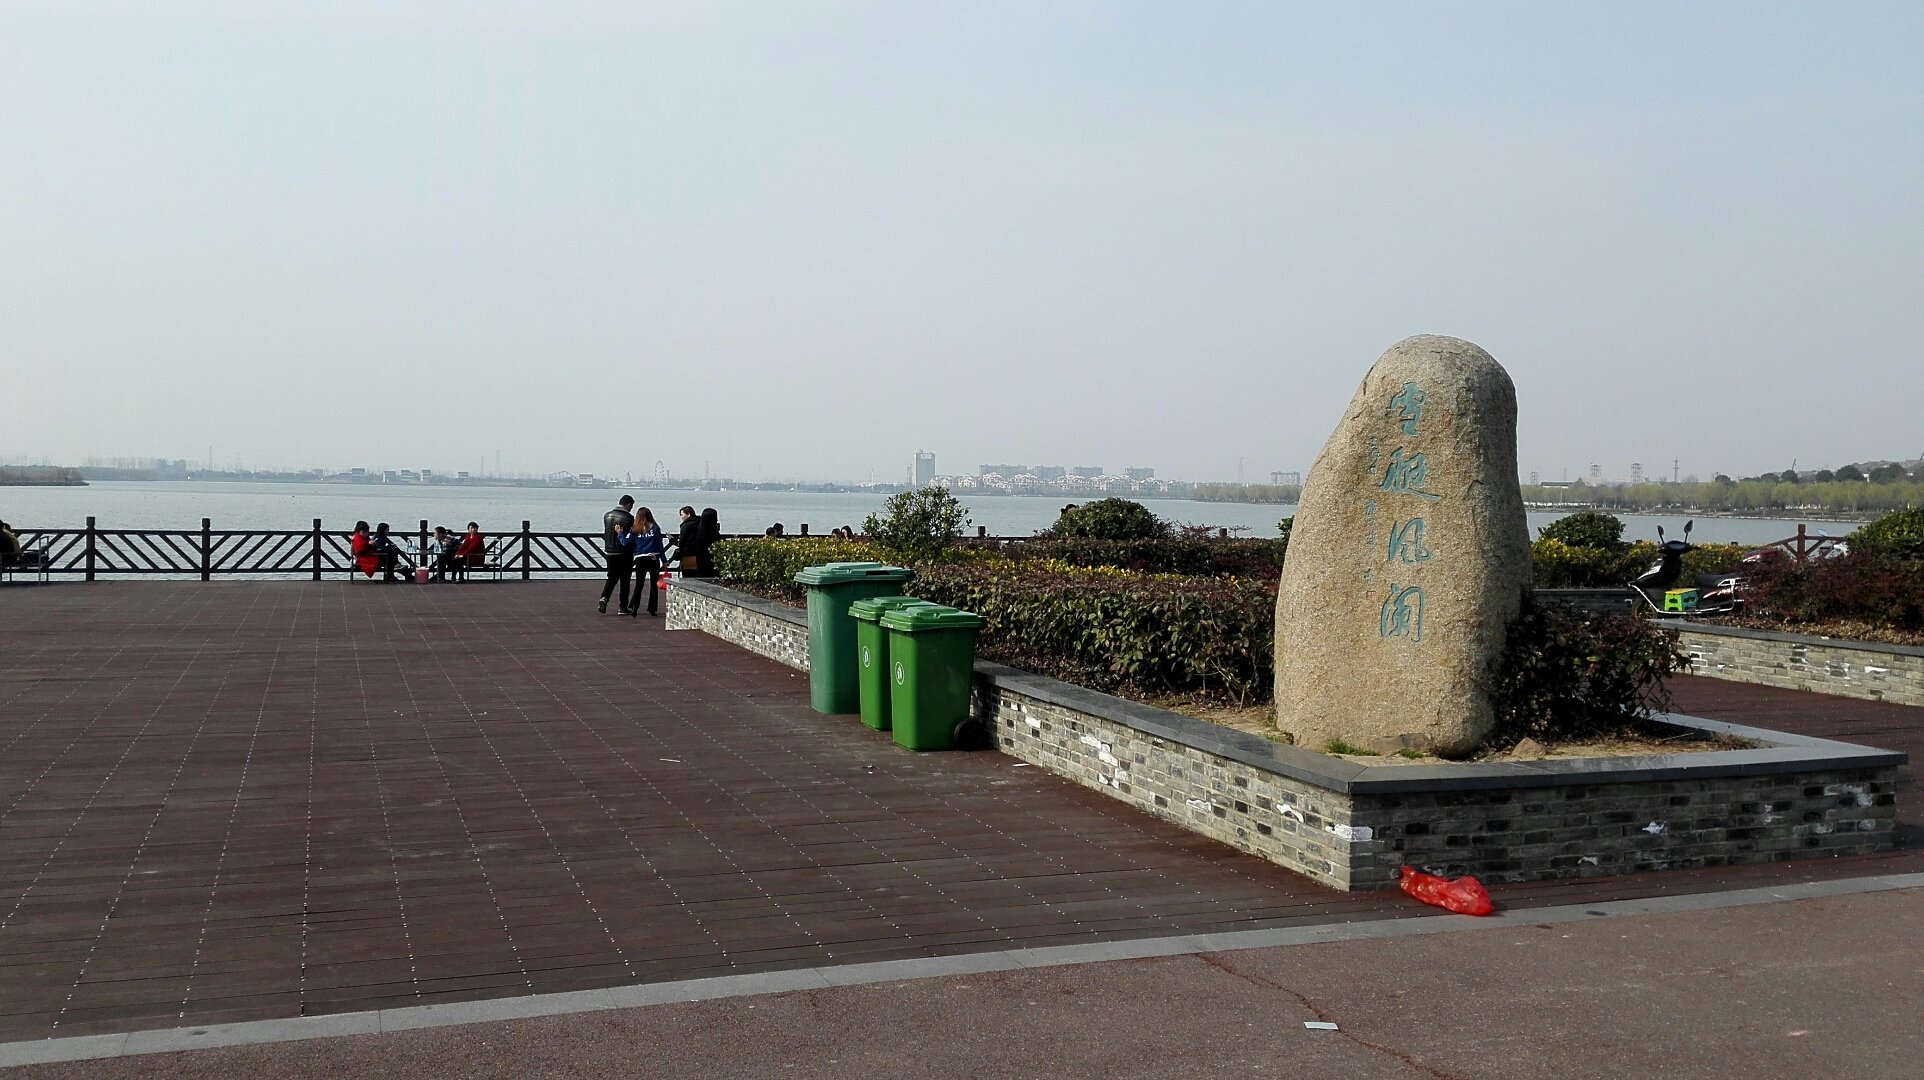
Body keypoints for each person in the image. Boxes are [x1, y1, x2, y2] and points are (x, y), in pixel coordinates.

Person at [622, 506, 666, 617]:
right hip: (654, 558)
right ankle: (652, 609)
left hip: (640, 558)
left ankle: (635, 608)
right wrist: (664, 560)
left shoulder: (635, 529)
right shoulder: (655, 528)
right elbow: (660, 546)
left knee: (639, 584)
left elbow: (625, 542)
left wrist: (620, 534)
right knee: (654, 585)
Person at [599, 495, 636, 614]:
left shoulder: (607, 515)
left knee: (611, 577)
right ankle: (623, 607)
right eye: (631, 506)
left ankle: (604, 598)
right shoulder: (629, 517)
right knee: (625, 580)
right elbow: (630, 536)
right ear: (628, 504)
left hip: (609, 551)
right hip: (624, 552)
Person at [671, 506, 700, 574]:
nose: (681, 517)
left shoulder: (685, 526)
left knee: (687, 575)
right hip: (699, 555)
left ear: (688, 514)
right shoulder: (700, 523)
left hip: (687, 555)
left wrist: (673, 541)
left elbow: (681, 543)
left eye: (682, 515)